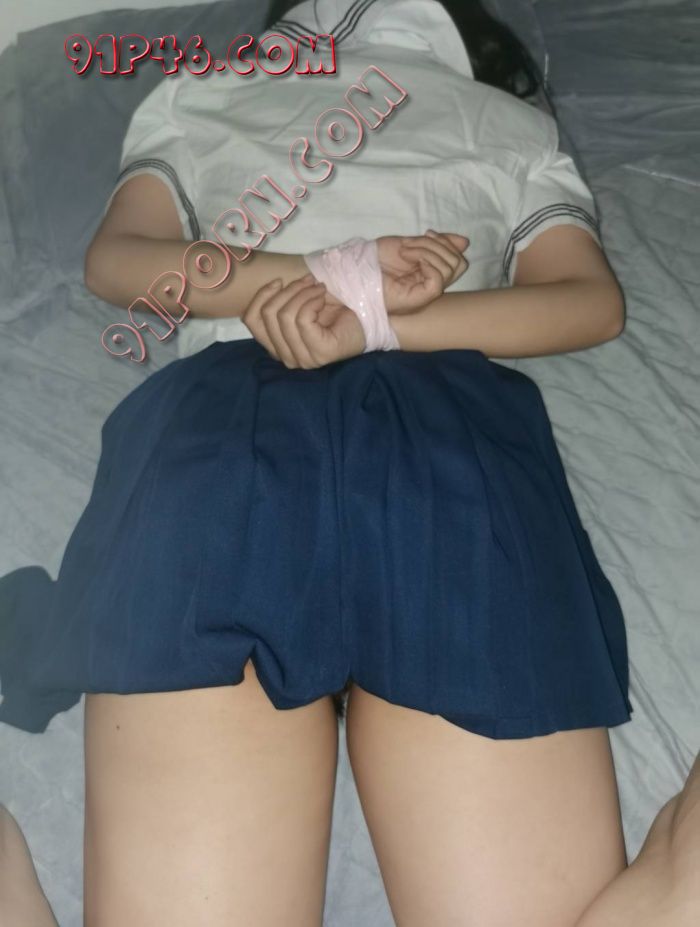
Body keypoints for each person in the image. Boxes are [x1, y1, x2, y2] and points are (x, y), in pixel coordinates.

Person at [0, 1, 639, 923]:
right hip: (233, 426)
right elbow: (121, 262)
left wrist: (378, 318)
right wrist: (334, 275)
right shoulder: (204, 90)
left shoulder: (507, 121)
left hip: (442, 427)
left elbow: (588, 300)